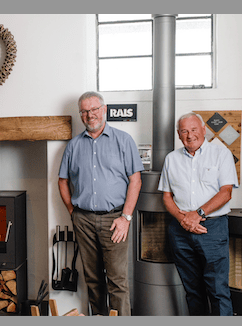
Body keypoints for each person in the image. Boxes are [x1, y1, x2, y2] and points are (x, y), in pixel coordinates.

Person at [58, 91, 143, 316]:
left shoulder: (123, 140)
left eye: (94, 109)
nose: (90, 115)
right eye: (84, 111)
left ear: (104, 110)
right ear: (80, 115)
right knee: (93, 280)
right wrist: (72, 211)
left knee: (117, 280)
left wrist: (126, 218)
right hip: (83, 219)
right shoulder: (73, 146)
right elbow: (62, 180)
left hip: (115, 220)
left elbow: (136, 180)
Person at [158, 112, 239, 316]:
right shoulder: (171, 159)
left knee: (218, 290)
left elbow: (226, 192)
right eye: (184, 131)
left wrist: (198, 214)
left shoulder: (221, 154)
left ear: (204, 130)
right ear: (178, 134)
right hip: (180, 230)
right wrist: (183, 219)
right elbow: (167, 197)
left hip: (212, 229)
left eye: (194, 129)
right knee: (193, 291)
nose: (190, 135)